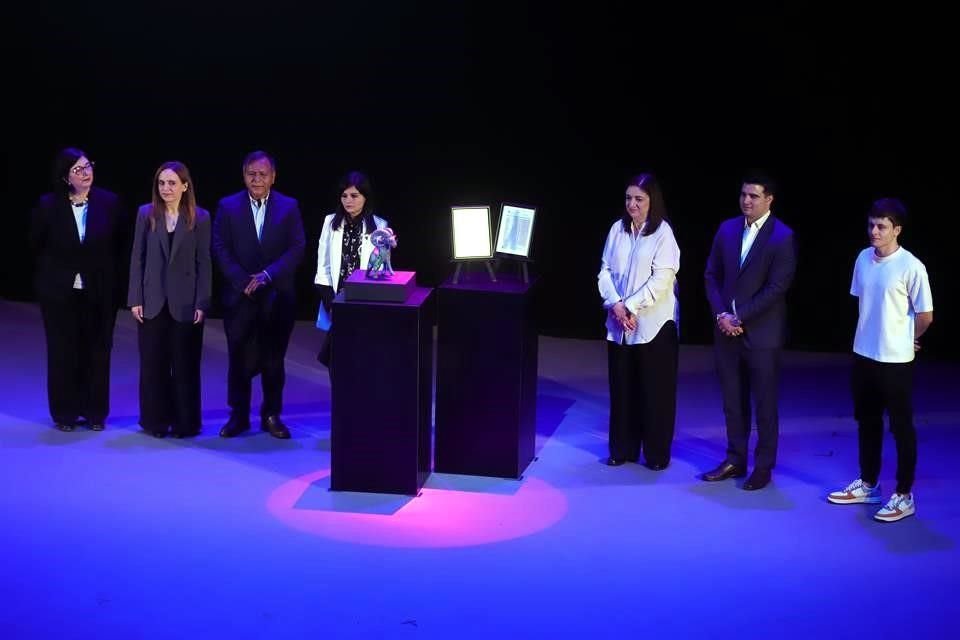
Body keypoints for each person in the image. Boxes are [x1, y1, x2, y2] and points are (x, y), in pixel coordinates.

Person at [827, 198, 933, 522]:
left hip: (896, 361)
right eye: (872, 224)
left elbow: (926, 315)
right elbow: (864, 301)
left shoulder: (911, 266)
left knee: (901, 427)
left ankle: (903, 494)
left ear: (897, 230)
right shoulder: (862, 259)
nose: (875, 231)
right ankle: (869, 484)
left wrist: (907, 339)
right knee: (867, 422)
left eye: (882, 226)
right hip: (863, 355)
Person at [703, 172, 796, 490]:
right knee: (732, 400)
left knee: (765, 405)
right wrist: (721, 316)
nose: (746, 201)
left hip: (762, 336)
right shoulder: (727, 228)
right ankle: (735, 458)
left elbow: (777, 288)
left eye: (754, 196)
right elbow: (711, 275)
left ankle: (763, 467)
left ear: (769, 199)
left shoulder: (782, 236)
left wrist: (739, 316)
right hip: (725, 331)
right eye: (743, 194)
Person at [29, 147, 126, 432]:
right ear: (64, 177)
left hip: (99, 291)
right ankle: (65, 414)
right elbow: (36, 246)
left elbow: (120, 245)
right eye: (78, 170)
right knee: (62, 351)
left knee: (98, 350)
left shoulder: (110, 202)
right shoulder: (47, 206)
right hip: (60, 294)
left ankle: (95, 413)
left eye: (88, 166)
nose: (86, 173)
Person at [213, 151, 305, 439]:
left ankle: (271, 414)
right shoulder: (227, 206)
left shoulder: (289, 207)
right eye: (251, 173)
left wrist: (267, 275)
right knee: (238, 358)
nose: (257, 179)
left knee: (273, 359)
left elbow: (297, 247)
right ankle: (238, 415)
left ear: (273, 177)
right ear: (244, 175)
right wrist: (243, 280)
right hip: (239, 297)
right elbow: (219, 247)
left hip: (277, 296)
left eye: (262, 174)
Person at [597, 173, 680, 469]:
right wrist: (616, 305)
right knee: (622, 389)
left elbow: (662, 279)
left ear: (651, 201)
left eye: (639, 199)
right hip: (619, 325)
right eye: (629, 198)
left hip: (652, 326)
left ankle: (656, 455)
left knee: (653, 393)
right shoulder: (617, 230)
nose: (632, 204)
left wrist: (630, 306)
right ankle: (622, 449)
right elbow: (604, 270)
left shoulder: (663, 234)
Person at [127, 161, 211, 438]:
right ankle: (155, 422)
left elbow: (204, 263)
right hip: (152, 301)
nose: (166, 188)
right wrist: (135, 298)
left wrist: (202, 302)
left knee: (185, 365)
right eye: (162, 183)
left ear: (185, 186)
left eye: (172, 183)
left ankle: (185, 423)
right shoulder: (146, 214)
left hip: (185, 303)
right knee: (153, 365)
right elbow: (136, 259)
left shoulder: (200, 217)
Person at [314, 171, 390, 366]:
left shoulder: (380, 226)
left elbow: (380, 270)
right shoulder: (330, 222)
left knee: (358, 355)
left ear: (365, 197)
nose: (348, 201)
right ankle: (340, 396)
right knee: (335, 357)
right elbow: (322, 267)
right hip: (336, 299)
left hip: (363, 300)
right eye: (344, 196)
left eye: (354, 196)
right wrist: (331, 303)